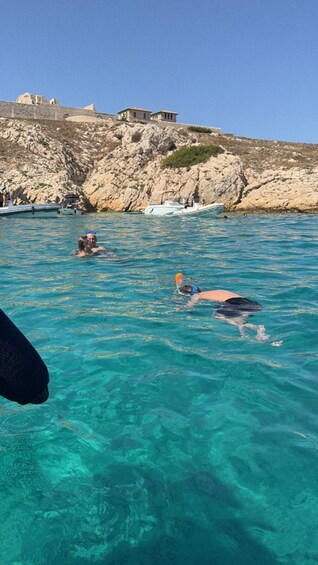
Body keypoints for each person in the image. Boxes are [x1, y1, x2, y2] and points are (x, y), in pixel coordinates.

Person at [175, 272, 269, 341]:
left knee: (217, 316)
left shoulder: (197, 295)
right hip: (249, 303)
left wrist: (179, 307)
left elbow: (189, 306)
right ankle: (259, 330)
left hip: (234, 303)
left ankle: (253, 328)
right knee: (240, 318)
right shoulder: (213, 291)